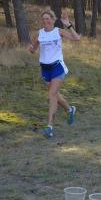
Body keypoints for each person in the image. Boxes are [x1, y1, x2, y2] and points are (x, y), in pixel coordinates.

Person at [28, 10, 81, 138]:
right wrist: (30, 49)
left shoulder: (59, 31)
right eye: (43, 19)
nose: (45, 21)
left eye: (48, 18)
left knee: (51, 94)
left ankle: (49, 127)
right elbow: (33, 49)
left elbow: (77, 38)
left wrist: (68, 25)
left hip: (57, 66)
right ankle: (70, 109)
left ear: (53, 19)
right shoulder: (39, 33)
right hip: (45, 68)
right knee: (55, 95)